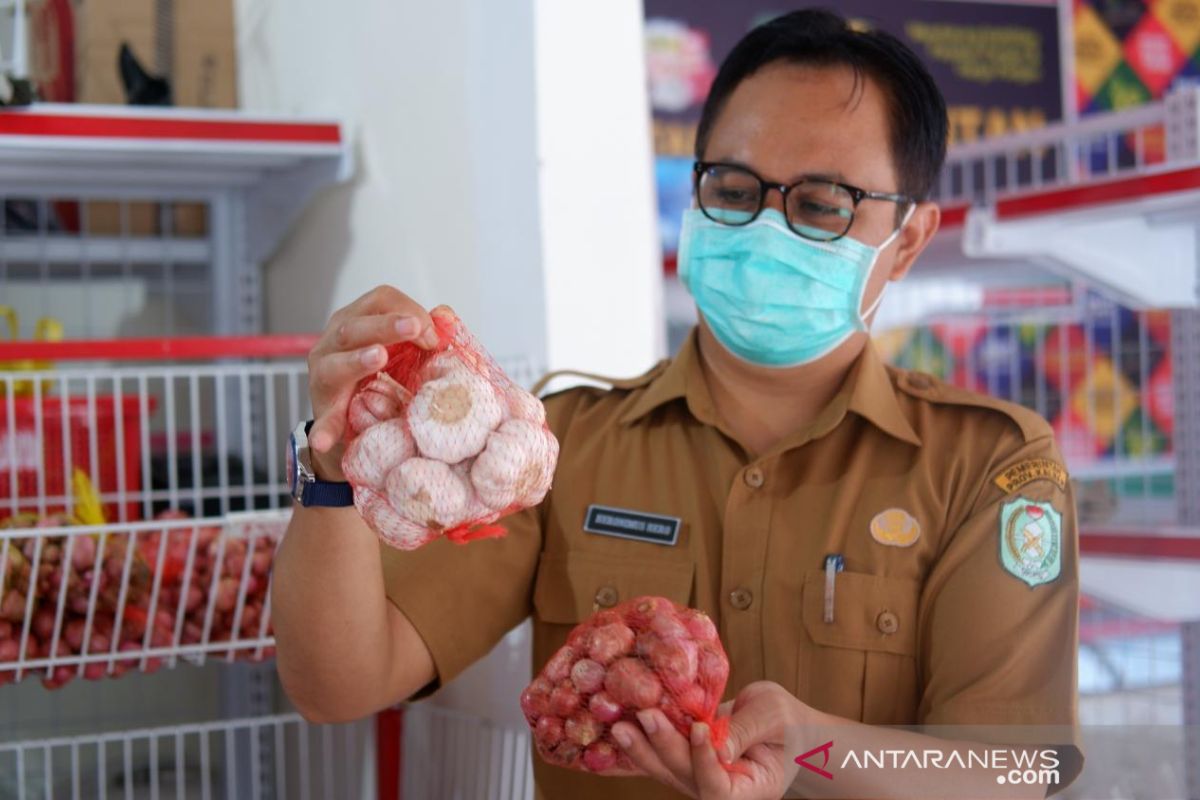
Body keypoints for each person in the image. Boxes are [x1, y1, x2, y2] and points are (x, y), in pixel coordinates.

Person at [273, 9, 1082, 799]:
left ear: (906, 239)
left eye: (821, 204)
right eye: (734, 189)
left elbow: (1019, 772)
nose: (766, 227)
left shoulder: (985, 467)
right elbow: (337, 685)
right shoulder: (563, 445)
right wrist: (333, 465)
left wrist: (813, 748)